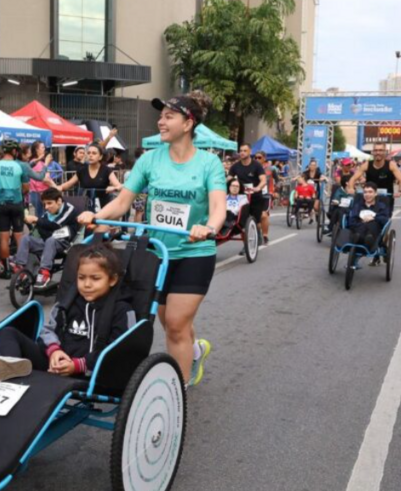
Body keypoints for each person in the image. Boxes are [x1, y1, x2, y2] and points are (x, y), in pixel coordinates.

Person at [78, 91, 226, 386]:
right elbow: (122, 202)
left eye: (168, 116)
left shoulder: (209, 164)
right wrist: (97, 219)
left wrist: (207, 227)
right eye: (160, 116)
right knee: (170, 321)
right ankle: (196, 351)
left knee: (174, 324)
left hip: (194, 253)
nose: (160, 121)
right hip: (157, 253)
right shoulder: (149, 161)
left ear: (188, 124)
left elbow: (218, 208)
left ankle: (177, 394)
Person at [0, 244, 136, 381]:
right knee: (7, 332)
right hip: (56, 363)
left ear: (112, 280)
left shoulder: (121, 310)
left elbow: (118, 352)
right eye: (81, 278)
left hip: (91, 372)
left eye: (95, 278)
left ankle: (12, 378)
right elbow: (48, 331)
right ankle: (11, 371)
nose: (87, 284)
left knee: (114, 354)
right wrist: (54, 351)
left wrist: (78, 365)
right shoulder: (67, 303)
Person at [0, 140, 35, 279]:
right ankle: (21, 269)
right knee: (19, 235)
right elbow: (26, 188)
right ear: (15, 151)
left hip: (2, 205)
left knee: (4, 237)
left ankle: (6, 269)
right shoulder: (21, 166)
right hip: (17, 204)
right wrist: (19, 194)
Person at [14, 188, 78, 288]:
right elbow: (41, 229)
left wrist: (37, 220)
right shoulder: (47, 213)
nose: (46, 207)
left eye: (49, 203)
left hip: (64, 244)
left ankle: (44, 272)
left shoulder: (69, 209)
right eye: (44, 204)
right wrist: (39, 225)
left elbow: (57, 225)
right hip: (48, 241)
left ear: (59, 201)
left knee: (51, 240)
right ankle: (21, 269)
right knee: (26, 238)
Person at [58, 142, 122, 211]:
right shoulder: (82, 170)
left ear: (100, 157)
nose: (90, 155)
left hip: (103, 207)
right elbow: (68, 184)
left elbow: (119, 186)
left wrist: (114, 187)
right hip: (85, 206)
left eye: (94, 153)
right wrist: (58, 187)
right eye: (88, 153)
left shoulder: (106, 170)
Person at [229, 144, 268, 247]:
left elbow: (263, 180)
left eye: (245, 151)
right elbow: (228, 179)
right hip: (242, 197)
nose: (242, 152)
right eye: (241, 151)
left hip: (255, 196)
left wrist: (258, 187)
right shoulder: (235, 166)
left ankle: (258, 234)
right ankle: (247, 245)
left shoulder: (256, 165)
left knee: (257, 221)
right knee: (244, 220)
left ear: (250, 152)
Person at [353, 143, 401, 213]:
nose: (378, 152)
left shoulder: (391, 165)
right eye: (376, 150)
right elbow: (353, 179)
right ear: (373, 152)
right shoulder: (366, 165)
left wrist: (400, 191)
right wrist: (350, 188)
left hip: (386, 198)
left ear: (385, 151)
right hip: (369, 197)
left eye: (381, 150)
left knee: (383, 220)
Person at [344, 183, 391, 252]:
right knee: (358, 227)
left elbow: (385, 220)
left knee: (373, 225)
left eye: (370, 192)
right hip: (359, 229)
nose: (367, 195)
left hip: (374, 231)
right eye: (365, 192)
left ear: (375, 193)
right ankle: (359, 238)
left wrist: (374, 217)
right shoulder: (358, 206)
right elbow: (351, 221)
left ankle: (366, 239)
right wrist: (362, 221)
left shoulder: (382, 206)